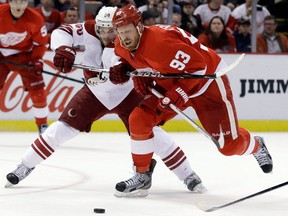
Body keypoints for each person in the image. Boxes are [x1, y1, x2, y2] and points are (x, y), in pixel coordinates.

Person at [5, 6, 206, 197]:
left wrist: (124, 70)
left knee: (152, 133)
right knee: (61, 128)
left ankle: (187, 175)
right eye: (102, 29)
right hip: (95, 93)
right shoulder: (90, 28)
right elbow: (61, 32)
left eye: (111, 31)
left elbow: (122, 61)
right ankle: (24, 165)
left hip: (128, 94)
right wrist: (62, 49)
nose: (105, 35)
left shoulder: (127, 39)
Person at [108, 4, 273, 197]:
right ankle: (142, 174)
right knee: (139, 118)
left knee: (229, 147)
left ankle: (256, 144)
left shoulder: (160, 42)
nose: (124, 37)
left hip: (207, 81)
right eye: (119, 32)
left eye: (127, 31)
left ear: (139, 26)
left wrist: (181, 91)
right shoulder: (121, 43)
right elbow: (121, 57)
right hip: (174, 80)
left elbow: (198, 66)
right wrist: (124, 68)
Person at [0, 0, 49, 134]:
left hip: (26, 57)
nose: (19, 6)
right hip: (1, 56)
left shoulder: (35, 19)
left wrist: (38, 60)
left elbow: (41, 44)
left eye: (22, 2)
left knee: (38, 91)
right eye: (15, 2)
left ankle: (42, 125)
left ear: (27, 3)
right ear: (9, 2)